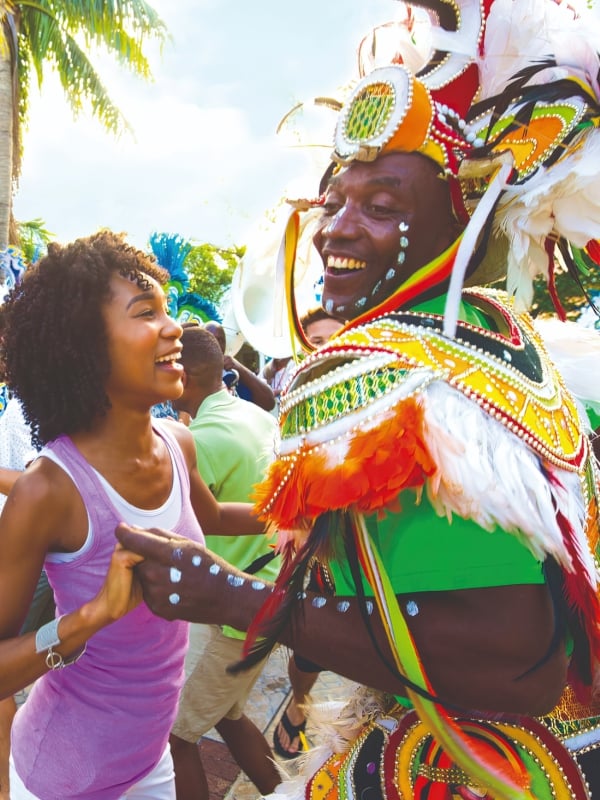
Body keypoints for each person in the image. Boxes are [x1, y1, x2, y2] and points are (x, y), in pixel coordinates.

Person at [117, 0, 600, 797]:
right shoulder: (493, 340)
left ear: (461, 225)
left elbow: (515, 661)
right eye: (335, 200)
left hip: (483, 765)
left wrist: (227, 594)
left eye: (381, 208)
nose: (337, 229)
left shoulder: (413, 375)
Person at [0, 230, 263, 800]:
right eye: (147, 313)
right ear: (85, 346)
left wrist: (302, 507)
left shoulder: (177, 441)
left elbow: (212, 514)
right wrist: (87, 620)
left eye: (167, 310)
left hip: (148, 763)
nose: (175, 329)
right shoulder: (49, 491)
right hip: (61, 778)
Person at [168, 324, 280, 799]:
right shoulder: (252, 415)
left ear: (185, 378)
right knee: (230, 720)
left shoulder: (204, 438)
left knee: (174, 737)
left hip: (232, 616)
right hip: (270, 598)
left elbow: (182, 524)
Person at [272, 306, 343, 760]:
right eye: (315, 344)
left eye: (335, 341)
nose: (326, 353)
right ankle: (299, 704)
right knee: (310, 647)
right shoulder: (298, 406)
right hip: (320, 552)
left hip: (382, 550)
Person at [204, 320, 275, 412]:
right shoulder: (190, 374)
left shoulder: (234, 375)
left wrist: (238, 367)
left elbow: (269, 402)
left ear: (225, 344)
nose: (216, 344)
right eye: (210, 338)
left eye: (220, 340)